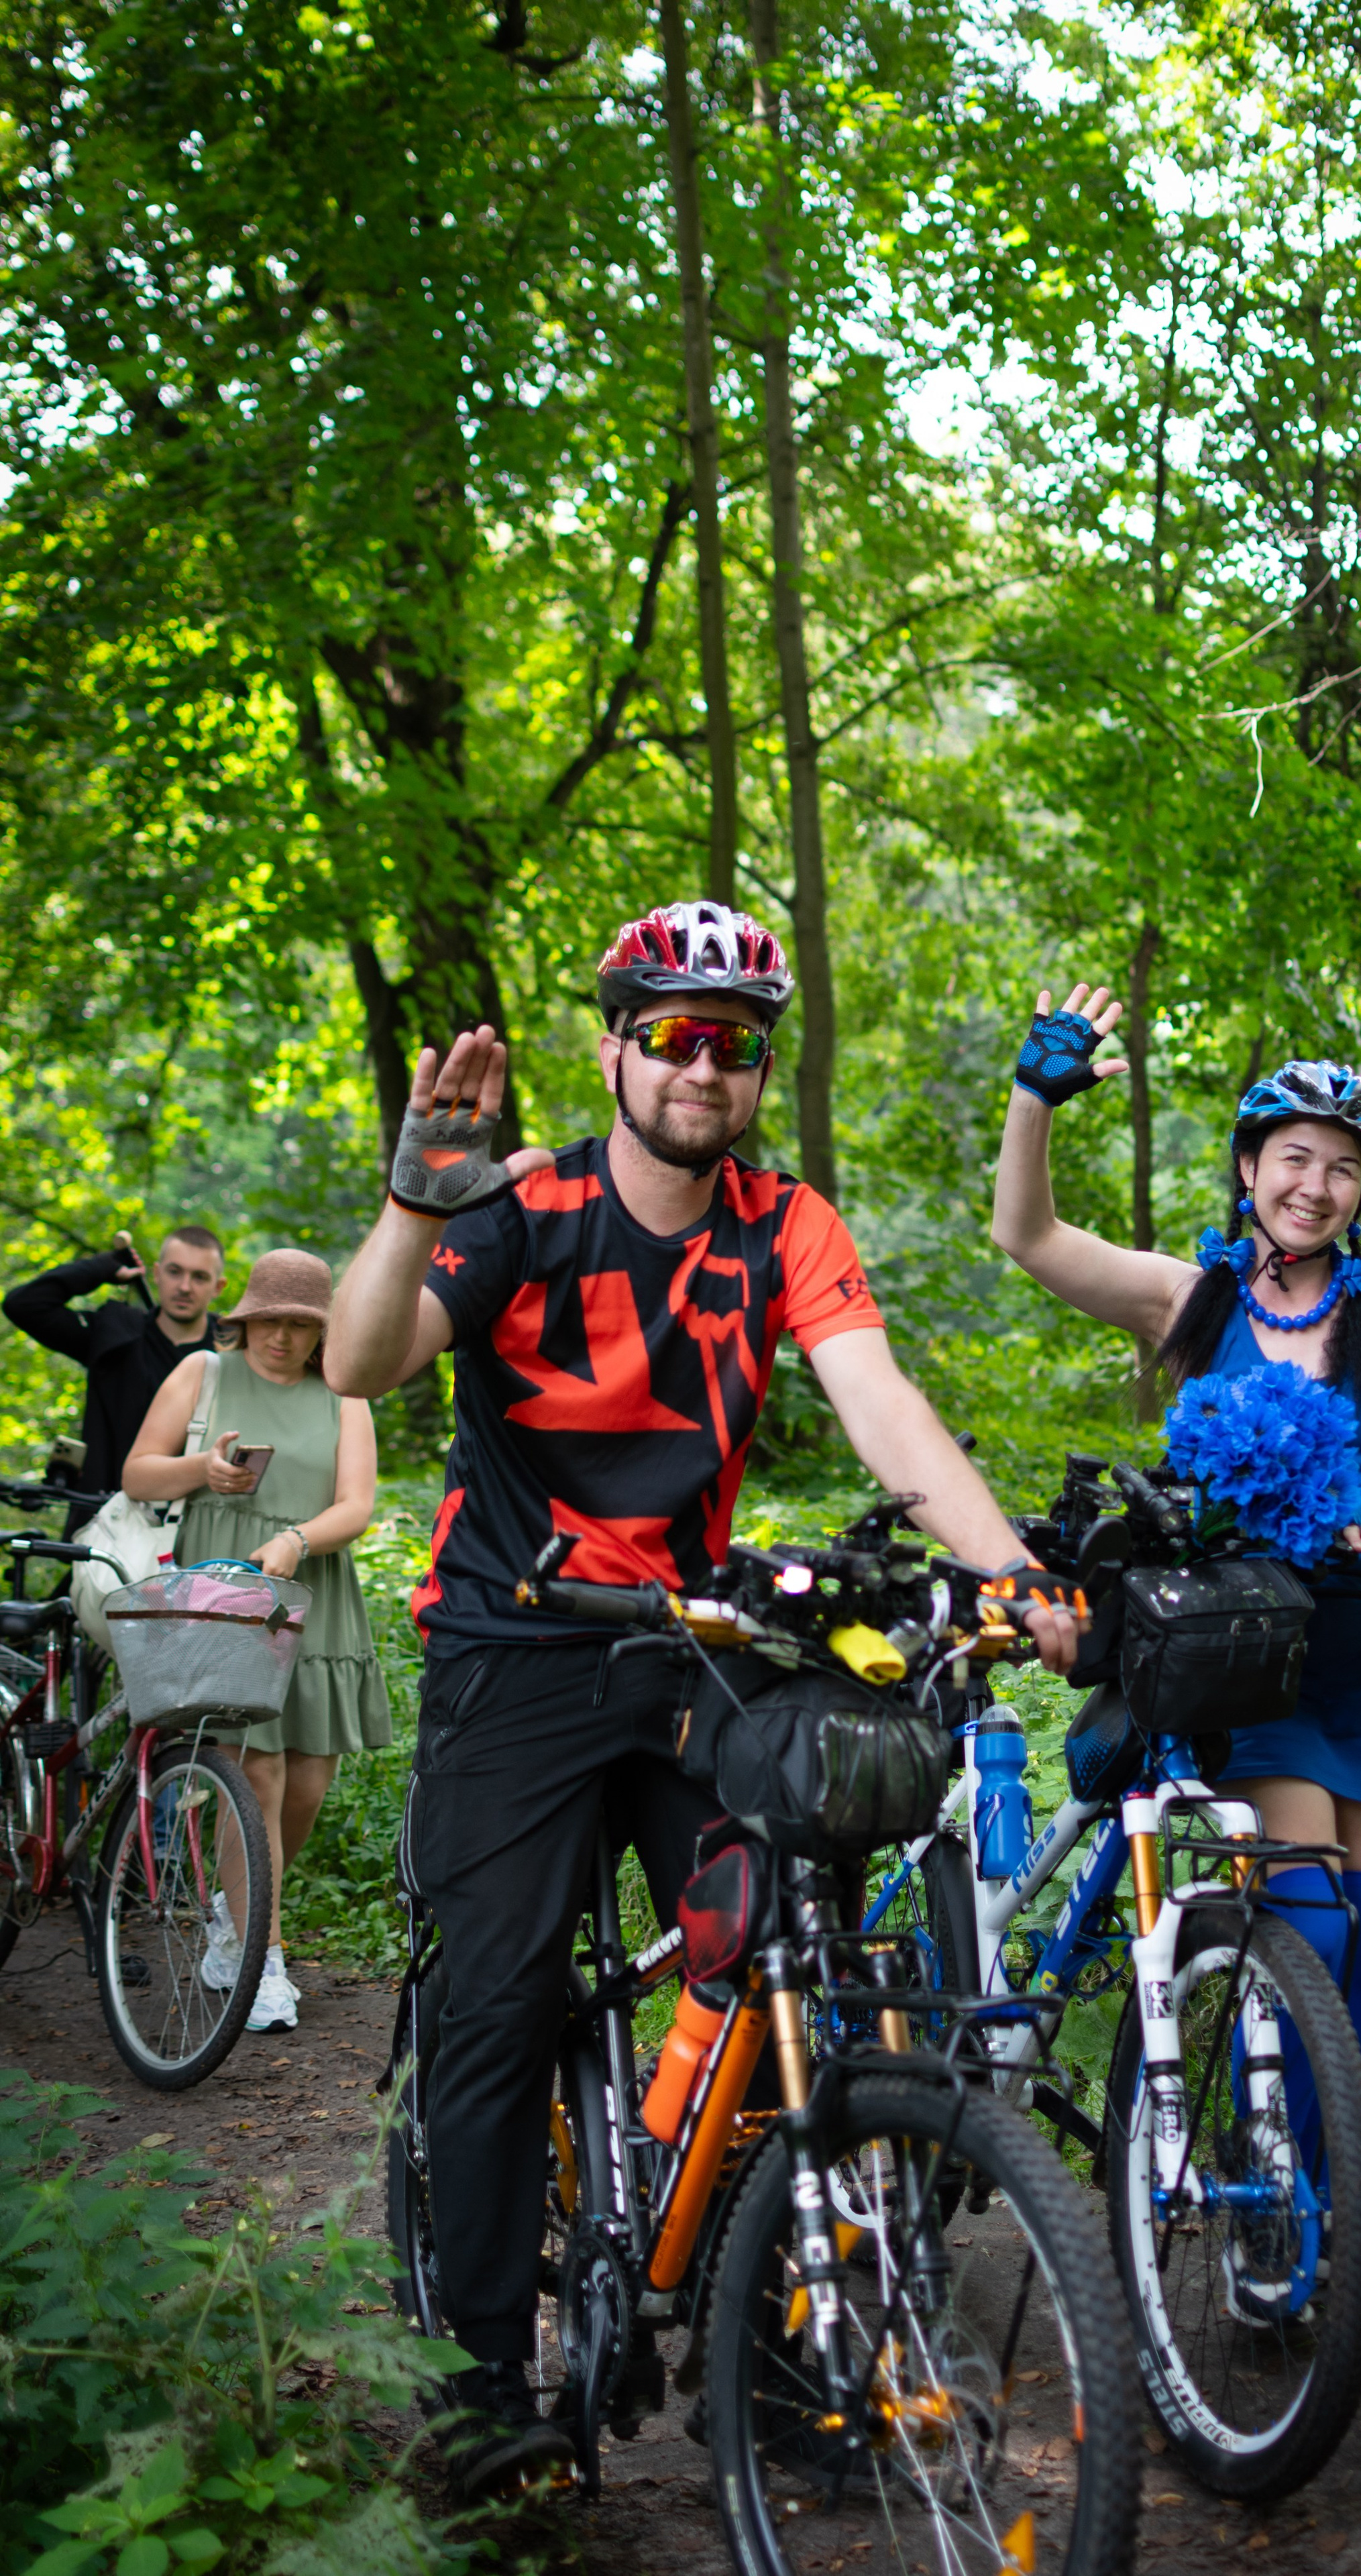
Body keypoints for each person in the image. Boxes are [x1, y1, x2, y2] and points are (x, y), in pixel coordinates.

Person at [324, 898, 1080, 2500]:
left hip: (682, 1642)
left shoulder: (781, 1222)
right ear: (612, 1048)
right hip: (511, 1644)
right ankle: (476, 2389)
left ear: (752, 1072)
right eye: (666, 1033)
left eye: (729, 1043)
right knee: (500, 1997)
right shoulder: (521, 1206)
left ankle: (800, 2349)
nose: (698, 1064)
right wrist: (407, 1206)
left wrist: (1011, 1573)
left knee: (795, 1943)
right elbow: (360, 1363)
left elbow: (880, 1402)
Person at [994, 985, 1361, 2312]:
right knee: (1310, 1932)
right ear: (1245, 1168)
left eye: (1339, 1169)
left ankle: (1323, 2210)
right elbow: (1027, 1237)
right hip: (1254, 1659)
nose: (1313, 1187)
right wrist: (1035, 1097)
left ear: (1358, 1191)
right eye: (1291, 1160)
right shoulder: (1194, 1297)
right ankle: (1266, 2198)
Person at [123, 1248, 390, 2036]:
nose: (282, 1336)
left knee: (307, 1782)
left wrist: (298, 1539)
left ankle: (230, 1909)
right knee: (260, 1776)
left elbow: (358, 1505)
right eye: (270, 1319)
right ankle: (259, 1961)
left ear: (323, 1334)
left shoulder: (345, 1395)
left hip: (312, 1596)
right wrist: (202, 1470)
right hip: (225, 1595)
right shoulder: (202, 1373)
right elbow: (138, 1473)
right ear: (245, 1318)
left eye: (302, 1325)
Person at [3, 1226, 226, 1528]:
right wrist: (100, 1268)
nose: (185, 1287)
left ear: (219, 1286)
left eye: (200, 1277)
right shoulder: (116, 1335)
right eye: (175, 1272)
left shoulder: (233, 1352)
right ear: (157, 1273)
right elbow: (24, 1305)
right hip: (106, 1525)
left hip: (197, 1527)